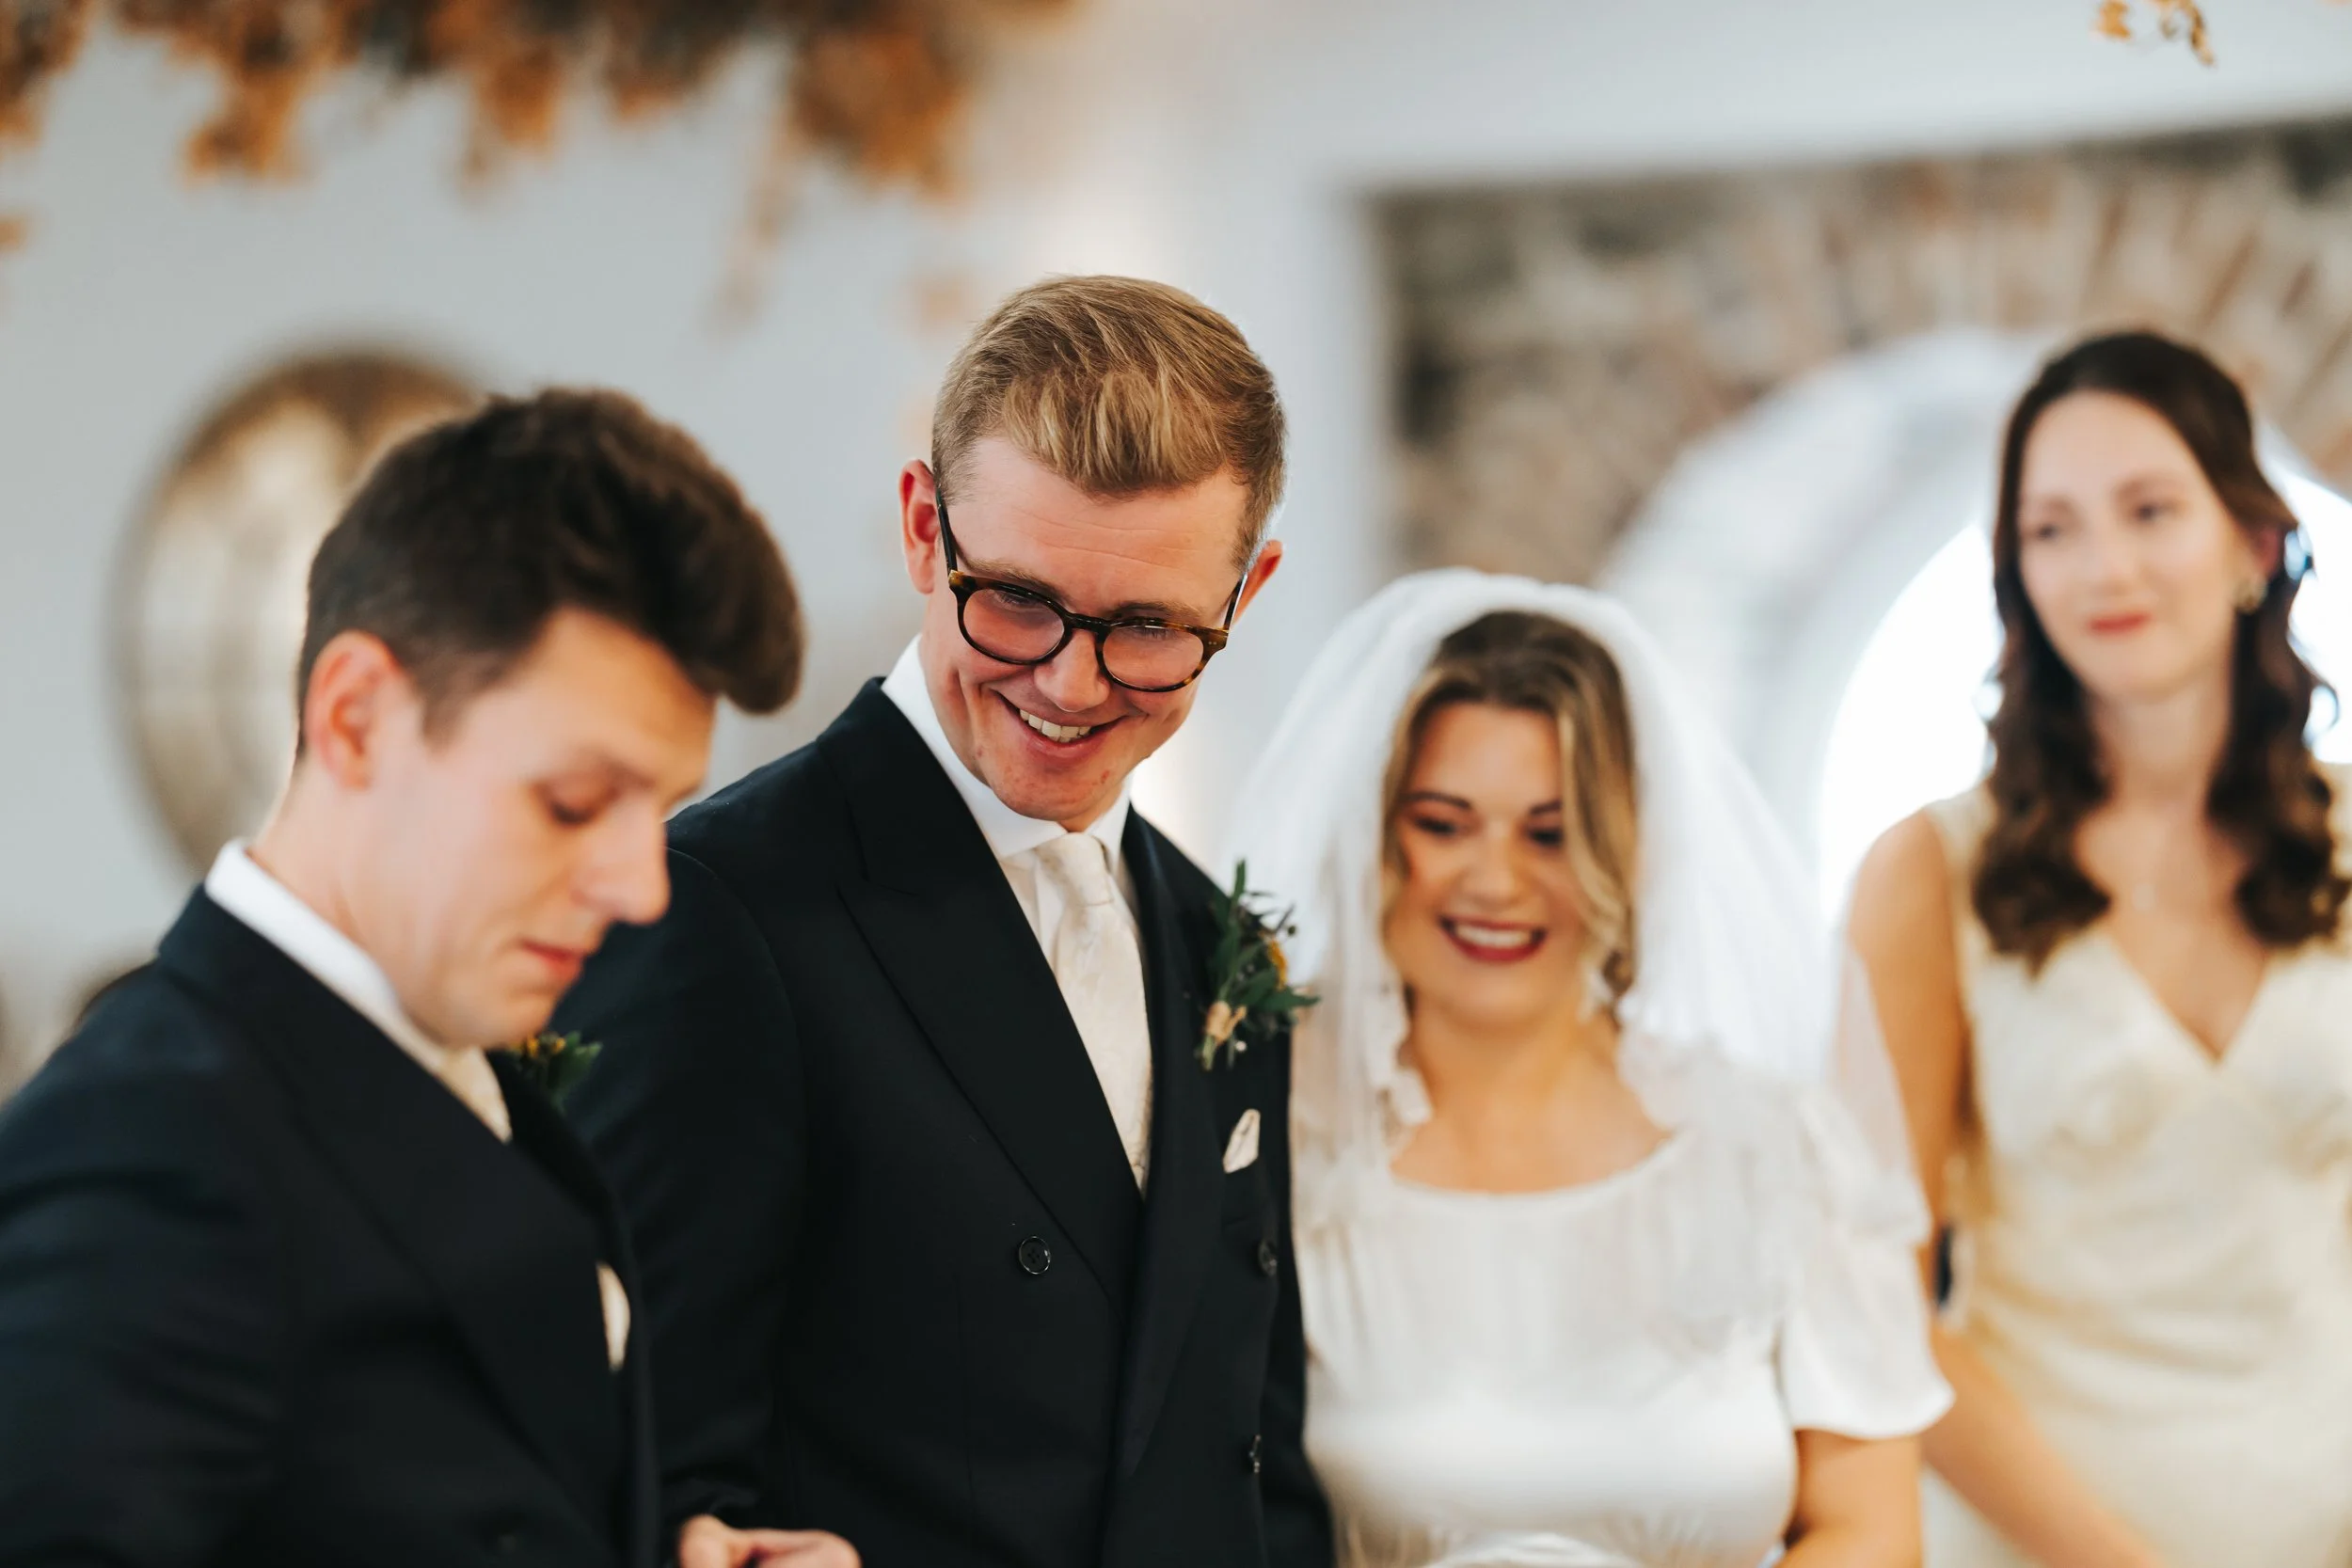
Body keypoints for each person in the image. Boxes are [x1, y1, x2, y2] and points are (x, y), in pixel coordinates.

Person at [0, 390, 852, 1568]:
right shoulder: (149, 1150)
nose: (639, 886)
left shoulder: (474, 1076)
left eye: (656, 808)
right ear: (355, 718)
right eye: (573, 802)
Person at [556, 276, 1332, 1568]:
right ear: (925, 527)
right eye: (1016, 598)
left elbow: (1253, 1455)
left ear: (1244, 594)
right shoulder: (715, 911)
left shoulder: (1225, 947)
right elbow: (641, 1459)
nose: (1068, 683)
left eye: (1146, 626)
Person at [1229, 572, 1951, 1568]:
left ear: (1624, 846)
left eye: (1550, 832)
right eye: (1442, 822)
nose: (1493, 879)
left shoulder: (1777, 1147)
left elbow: (1866, 1525)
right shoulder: (1268, 1149)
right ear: (1375, 830)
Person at [1850, 331, 2352, 1568]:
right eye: (2052, 528)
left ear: (2248, 539)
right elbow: (1874, 1297)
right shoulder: (1930, 870)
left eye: (2149, 509)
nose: (2104, 565)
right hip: (2034, 1540)